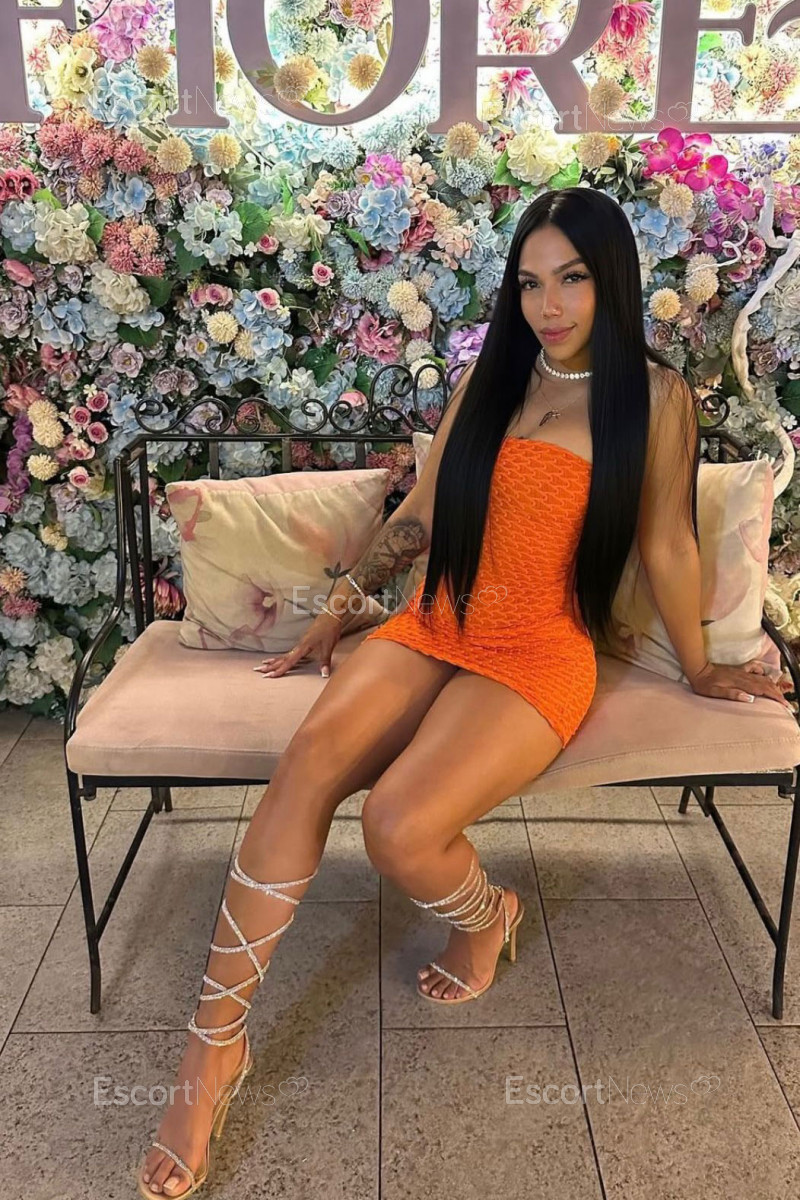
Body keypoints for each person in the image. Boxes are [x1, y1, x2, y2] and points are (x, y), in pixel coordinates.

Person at [137, 186, 790, 1198]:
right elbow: (425, 511)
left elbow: (666, 541)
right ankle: (212, 1048)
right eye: (528, 283)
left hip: (537, 647)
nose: (547, 305)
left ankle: (487, 915)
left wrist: (701, 664)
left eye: (571, 278)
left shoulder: (654, 398)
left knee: (398, 827)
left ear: (612, 280)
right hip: (437, 620)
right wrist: (343, 605)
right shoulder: (493, 376)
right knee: (305, 767)